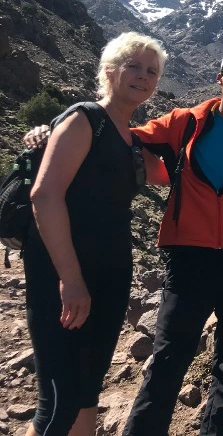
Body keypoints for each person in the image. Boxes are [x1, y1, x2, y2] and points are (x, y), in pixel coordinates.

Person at [121, 44, 223, 436]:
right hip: (189, 260)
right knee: (167, 361)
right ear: (221, 77)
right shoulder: (186, 123)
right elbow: (127, 138)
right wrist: (69, 127)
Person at [24, 32, 168, 436]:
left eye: (151, 71)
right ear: (110, 71)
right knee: (59, 401)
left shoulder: (131, 141)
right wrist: (71, 280)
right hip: (64, 277)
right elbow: (45, 196)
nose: (143, 76)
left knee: (87, 390)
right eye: (133, 66)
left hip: (110, 278)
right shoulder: (85, 118)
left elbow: (181, 171)